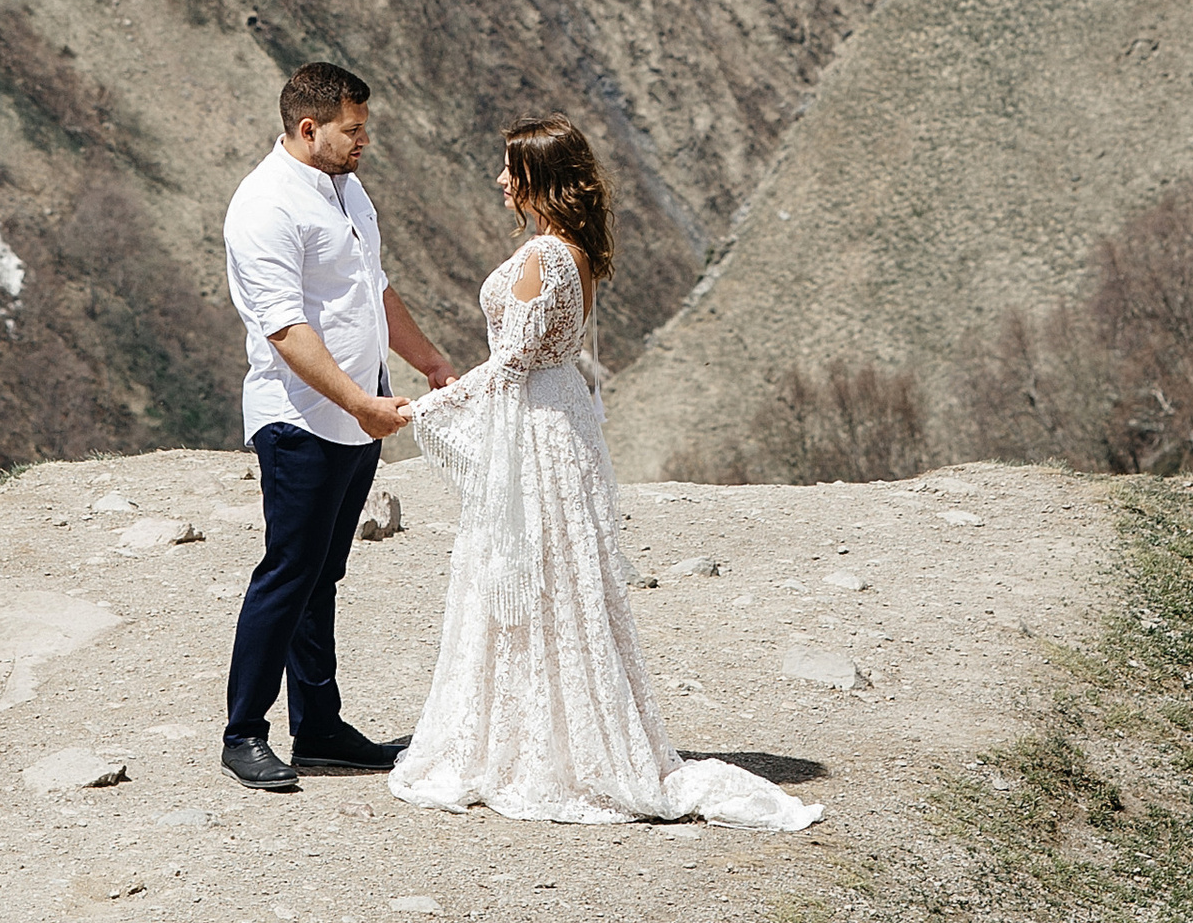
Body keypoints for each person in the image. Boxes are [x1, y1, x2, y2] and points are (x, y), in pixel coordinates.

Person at [393, 115, 824, 830]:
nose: (500, 180)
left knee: (530, 574)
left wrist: (425, 407)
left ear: (538, 177)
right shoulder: (576, 251)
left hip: (538, 429)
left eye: (510, 169)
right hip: (561, 420)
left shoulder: (544, 256)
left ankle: (533, 750)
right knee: (560, 580)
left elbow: (510, 366)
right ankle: (554, 736)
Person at [221, 60, 453, 793]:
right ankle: (243, 734)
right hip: (301, 419)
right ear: (308, 127)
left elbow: (372, 288)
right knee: (289, 572)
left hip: (357, 412)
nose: (365, 141)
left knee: (324, 573)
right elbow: (285, 329)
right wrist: (360, 402)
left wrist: (428, 361)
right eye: (353, 130)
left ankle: (320, 729)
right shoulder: (265, 206)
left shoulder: (347, 188)